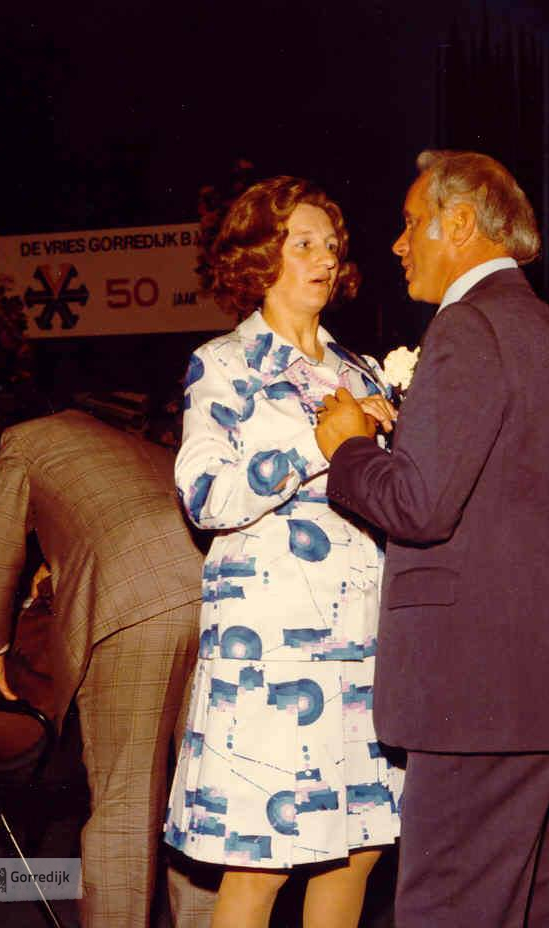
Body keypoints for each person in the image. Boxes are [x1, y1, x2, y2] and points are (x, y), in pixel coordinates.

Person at [315, 150, 549, 927]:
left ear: (461, 223)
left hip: (471, 690)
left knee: (445, 908)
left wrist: (348, 446)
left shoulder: (467, 325)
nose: (399, 243)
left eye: (412, 224)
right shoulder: (539, 328)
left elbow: (420, 506)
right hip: (529, 685)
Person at [164, 176, 403, 928]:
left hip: (364, 641)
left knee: (357, 849)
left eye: (330, 245)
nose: (324, 259)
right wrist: (319, 442)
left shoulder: (359, 370)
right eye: (302, 244)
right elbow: (206, 496)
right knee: (260, 863)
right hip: (269, 651)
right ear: (258, 258)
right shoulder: (224, 363)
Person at [0, 410, 217, 927]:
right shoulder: (145, 452)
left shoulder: (27, 437)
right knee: (199, 805)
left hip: (133, 608)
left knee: (126, 807)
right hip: (219, 598)